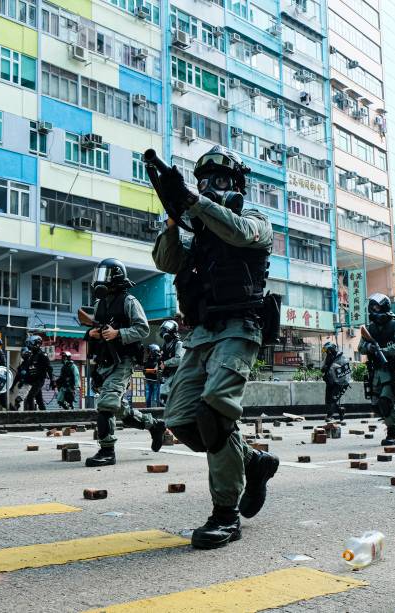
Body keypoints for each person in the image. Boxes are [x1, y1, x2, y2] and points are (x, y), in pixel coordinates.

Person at [152, 145, 280, 550]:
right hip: (202, 334)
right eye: (203, 180)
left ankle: (225, 514)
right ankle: (254, 462)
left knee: (215, 412)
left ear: (237, 185)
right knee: (184, 421)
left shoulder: (254, 218)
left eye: (220, 180)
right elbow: (166, 262)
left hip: (240, 329)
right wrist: (174, 214)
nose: (210, 187)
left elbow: (242, 234)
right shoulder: (201, 233)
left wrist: (197, 202)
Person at [84, 258, 166, 467]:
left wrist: (118, 333)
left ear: (116, 278)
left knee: (105, 405)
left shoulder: (129, 301)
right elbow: (97, 333)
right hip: (104, 362)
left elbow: (143, 329)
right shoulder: (99, 304)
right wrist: (92, 333)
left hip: (124, 361)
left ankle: (107, 451)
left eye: (105, 276)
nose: (99, 281)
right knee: (119, 409)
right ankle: (154, 425)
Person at [358, 294, 395, 445]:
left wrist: (384, 351)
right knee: (376, 405)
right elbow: (361, 347)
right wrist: (371, 347)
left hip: (393, 370)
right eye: (372, 307)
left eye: (377, 306)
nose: (374, 309)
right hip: (376, 372)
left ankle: (392, 434)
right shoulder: (370, 328)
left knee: (385, 402)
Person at [12, 335, 55, 411]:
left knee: (30, 397)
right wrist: (23, 381)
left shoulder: (42, 355)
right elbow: (28, 370)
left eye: (31, 343)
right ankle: (45, 417)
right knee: (40, 401)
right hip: (32, 380)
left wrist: (52, 380)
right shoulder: (31, 356)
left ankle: (32, 416)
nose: (29, 346)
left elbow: (49, 368)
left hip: (39, 380)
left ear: (37, 344)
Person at [321, 342, 351, 421]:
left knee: (333, 399)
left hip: (340, 383)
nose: (328, 352)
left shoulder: (342, 357)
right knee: (328, 401)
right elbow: (322, 368)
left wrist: (335, 367)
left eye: (329, 350)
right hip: (330, 382)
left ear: (332, 349)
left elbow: (346, 371)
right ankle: (340, 410)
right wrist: (325, 367)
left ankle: (329, 416)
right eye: (327, 351)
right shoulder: (327, 358)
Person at [158, 320, 185, 406]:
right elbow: (162, 360)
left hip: (178, 373)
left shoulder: (179, 344)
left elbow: (179, 360)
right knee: (164, 394)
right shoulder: (164, 345)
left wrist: (165, 363)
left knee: (165, 393)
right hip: (169, 374)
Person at [143, 343, 162, 408]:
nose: (149, 353)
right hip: (148, 380)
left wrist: (149, 371)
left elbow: (160, 370)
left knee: (155, 398)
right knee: (148, 397)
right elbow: (144, 370)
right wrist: (152, 371)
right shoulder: (149, 360)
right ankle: (148, 411)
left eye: (150, 351)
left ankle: (156, 413)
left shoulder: (159, 360)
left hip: (156, 382)